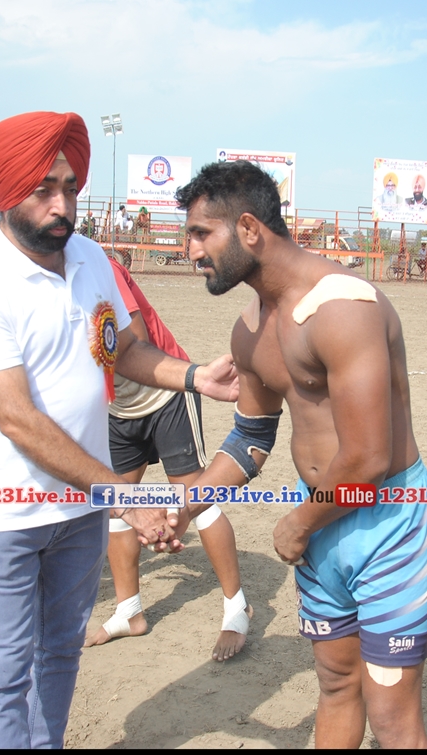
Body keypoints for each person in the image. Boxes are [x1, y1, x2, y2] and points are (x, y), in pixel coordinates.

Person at [0, 111, 239, 748]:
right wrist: (123, 499)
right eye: (44, 190)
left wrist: (195, 378)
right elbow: (18, 420)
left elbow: (123, 349)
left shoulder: (90, 258)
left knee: (59, 653)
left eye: (70, 188)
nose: (62, 205)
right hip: (5, 513)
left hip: (79, 512)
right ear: (4, 193)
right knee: (4, 673)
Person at [172, 160, 427, 748]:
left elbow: (368, 458)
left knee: (392, 715)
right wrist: (184, 506)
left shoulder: (344, 305)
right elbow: (249, 440)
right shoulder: (250, 329)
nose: (189, 250)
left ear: (248, 229)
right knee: (336, 682)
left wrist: (299, 523)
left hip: (386, 522)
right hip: (318, 521)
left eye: (200, 234)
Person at [85, 257, 252, 661]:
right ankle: (129, 612)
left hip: (165, 393)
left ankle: (237, 606)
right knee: (118, 504)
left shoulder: (95, 266)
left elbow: (134, 342)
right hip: (118, 407)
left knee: (195, 497)